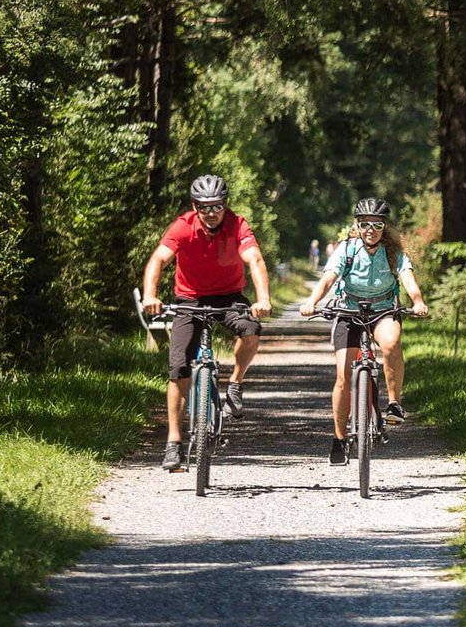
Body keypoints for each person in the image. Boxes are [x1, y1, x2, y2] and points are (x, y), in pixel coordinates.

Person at [140, 174, 273, 472]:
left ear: (225, 205)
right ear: (195, 206)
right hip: (189, 300)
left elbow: (255, 260)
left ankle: (236, 384)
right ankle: (173, 443)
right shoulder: (182, 226)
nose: (211, 212)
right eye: (205, 207)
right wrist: (150, 295)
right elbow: (158, 260)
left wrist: (262, 298)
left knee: (251, 330)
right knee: (178, 369)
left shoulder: (238, 225)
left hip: (229, 298)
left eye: (217, 206)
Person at [298, 197, 429, 465]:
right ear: (357, 225)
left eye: (377, 224)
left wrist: (417, 302)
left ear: (384, 227)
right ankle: (338, 438)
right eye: (365, 224)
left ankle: (394, 403)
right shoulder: (347, 250)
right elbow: (329, 278)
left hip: (382, 310)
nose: (371, 229)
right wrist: (313, 301)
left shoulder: (394, 253)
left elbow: (409, 281)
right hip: (349, 311)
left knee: (391, 344)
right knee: (343, 376)